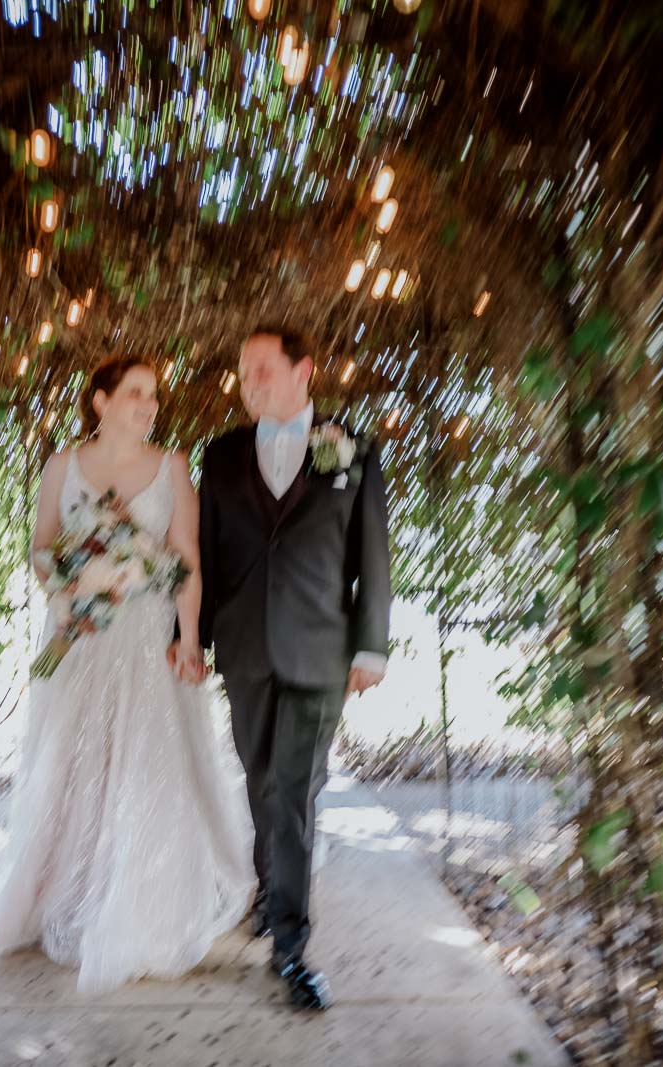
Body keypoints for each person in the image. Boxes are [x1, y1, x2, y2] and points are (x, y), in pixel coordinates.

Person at [0, 355, 254, 994]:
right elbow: (40, 548)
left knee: (148, 762)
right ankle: (70, 886)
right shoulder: (61, 466)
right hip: (79, 637)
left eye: (153, 396)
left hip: (148, 639)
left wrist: (190, 639)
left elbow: (187, 560)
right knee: (73, 761)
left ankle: (142, 897)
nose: (148, 406)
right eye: (136, 394)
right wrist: (75, 582)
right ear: (101, 400)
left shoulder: (173, 468)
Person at [194, 325, 394, 1012]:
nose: (249, 384)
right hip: (245, 647)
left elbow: (372, 556)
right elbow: (207, 558)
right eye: (243, 374)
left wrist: (371, 647)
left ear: (303, 370)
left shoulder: (353, 449)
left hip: (320, 650)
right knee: (260, 780)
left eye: (261, 370)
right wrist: (189, 637)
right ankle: (269, 890)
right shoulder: (218, 457)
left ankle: (291, 944)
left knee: (296, 788)